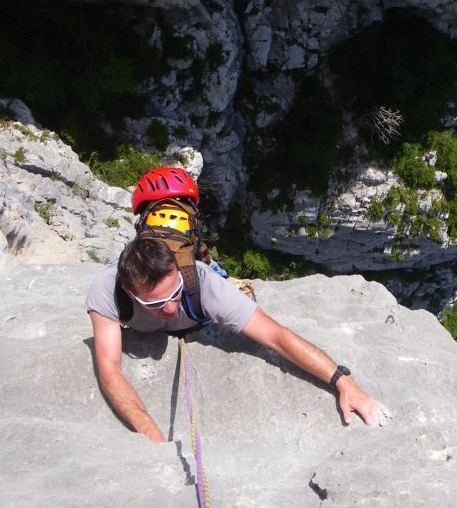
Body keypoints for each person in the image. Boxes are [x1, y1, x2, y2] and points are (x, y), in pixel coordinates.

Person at [85, 169, 389, 443]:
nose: (169, 308)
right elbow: (110, 369)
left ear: (179, 272)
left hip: (210, 295)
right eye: (157, 302)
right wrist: (153, 438)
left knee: (236, 296)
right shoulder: (107, 290)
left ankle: (239, 289)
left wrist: (342, 380)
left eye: (175, 293)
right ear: (129, 291)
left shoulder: (200, 282)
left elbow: (276, 337)